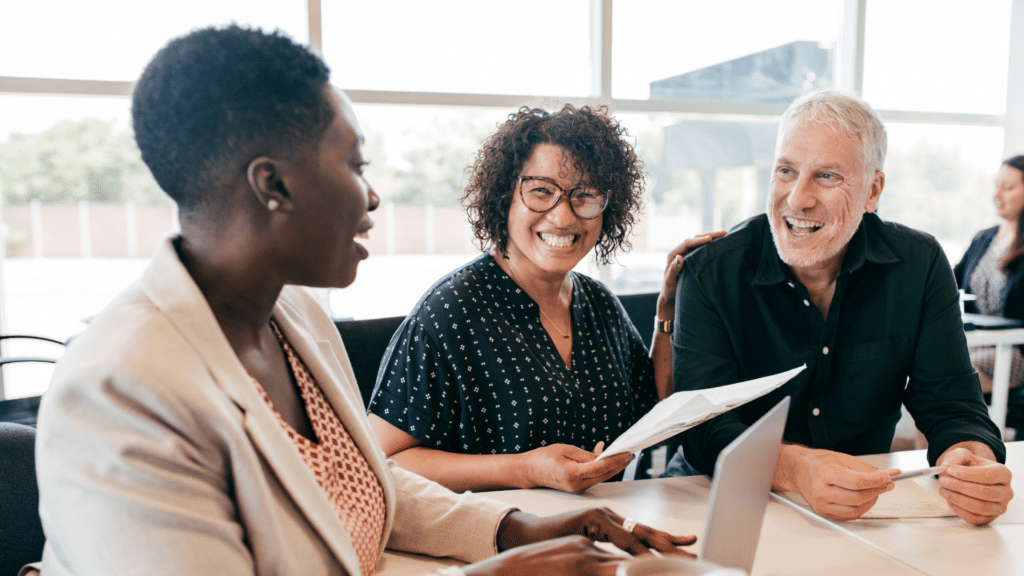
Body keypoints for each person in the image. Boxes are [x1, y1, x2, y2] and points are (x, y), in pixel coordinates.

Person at [26, 25, 698, 576]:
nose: (371, 196)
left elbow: (363, 478)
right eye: (354, 164)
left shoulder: (298, 318)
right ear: (274, 186)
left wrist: (517, 527)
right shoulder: (121, 388)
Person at [669, 89, 1013, 525]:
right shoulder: (711, 272)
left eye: (827, 176)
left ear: (873, 191)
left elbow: (952, 406)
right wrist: (798, 470)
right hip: (718, 500)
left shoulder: (919, 264)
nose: (797, 198)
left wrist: (972, 461)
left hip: (861, 510)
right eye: (785, 171)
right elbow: (704, 427)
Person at [368, 105, 722, 494]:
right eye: (542, 191)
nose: (564, 217)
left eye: (584, 196)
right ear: (505, 196)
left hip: (600, 527)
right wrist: (523, 470)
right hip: (495, 539)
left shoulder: (599, 304)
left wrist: (668, 310)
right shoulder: (450, 312)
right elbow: (385, 461)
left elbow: (655, 405)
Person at [954, 155, 1024, 433]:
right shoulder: (984, 238)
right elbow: (949, 283)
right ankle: (934, 467)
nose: (997, 195)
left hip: (1015, 350)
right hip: (977, 343)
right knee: (926, 376)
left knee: (948, 381)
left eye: (1007, 187)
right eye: (996, 186)